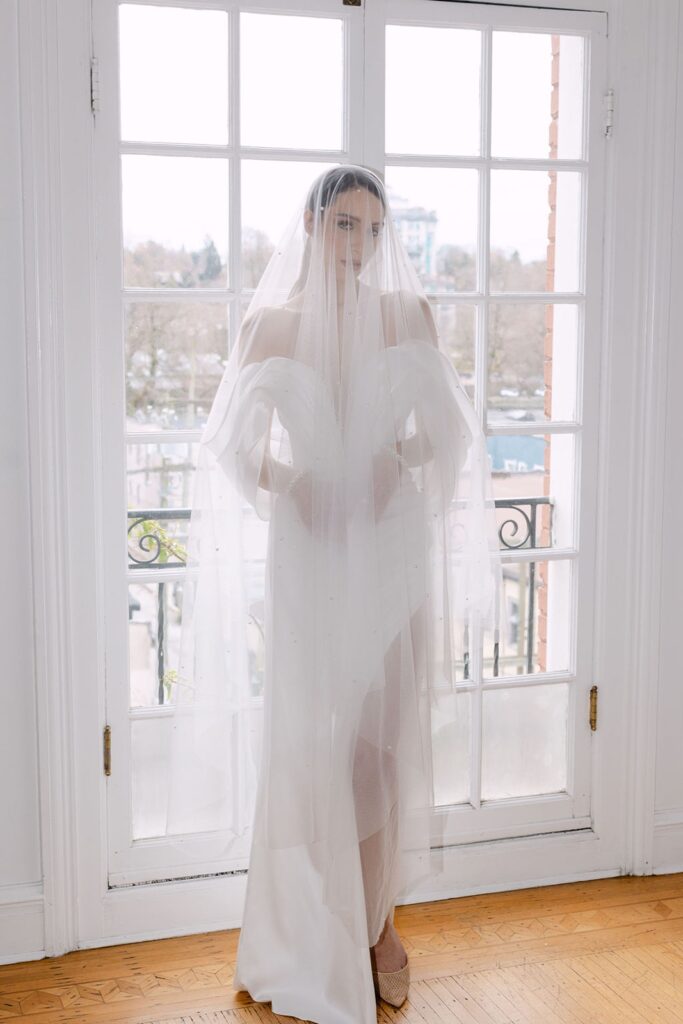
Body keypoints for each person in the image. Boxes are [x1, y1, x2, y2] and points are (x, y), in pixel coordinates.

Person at [164, 165, 501, 1023]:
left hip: (389, 555)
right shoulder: (270, 325)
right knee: (321, 750)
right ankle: (325, 924)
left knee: (380, 750)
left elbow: (449, 434)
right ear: (314, 227)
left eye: (373, 230)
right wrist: (291, 482)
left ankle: (378, 927)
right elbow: (229, 448)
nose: (360, 245)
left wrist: (402, 462)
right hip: (310, 553)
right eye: (345, 225)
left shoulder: (408, 315)